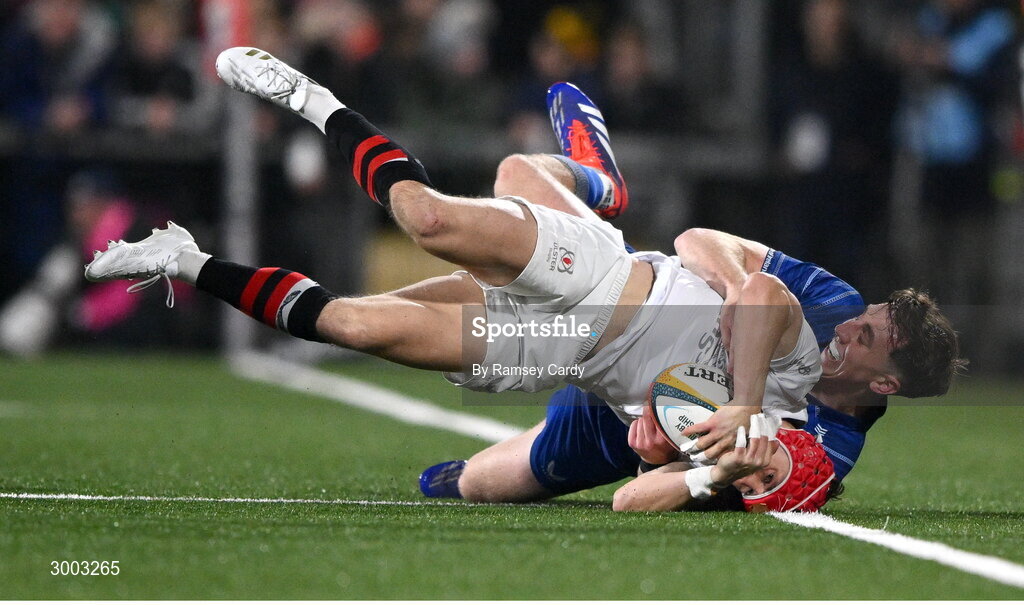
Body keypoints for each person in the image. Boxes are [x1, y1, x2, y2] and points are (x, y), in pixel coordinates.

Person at [85, 48, 829, 506]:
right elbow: (762, 292)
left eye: (758, 487)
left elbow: (632, 497)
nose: (757, 472)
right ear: (794, 452)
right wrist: (752, 403)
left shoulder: (722, 476)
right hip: (601, 277)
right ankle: (311, 97)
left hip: (564, 345)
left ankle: (182, 256)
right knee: (430, 220)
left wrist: (696, 469)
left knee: (353, 324)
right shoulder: (792, 382)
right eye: (770, 474)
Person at [420, 83, 965, 511]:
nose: (848, 326)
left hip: (626, 426)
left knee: (475, 485)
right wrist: (736, 290)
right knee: (518, 179)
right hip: (640, 307)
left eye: (867, 335)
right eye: (864, 315)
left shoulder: (826, 451)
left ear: (885, 383)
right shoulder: (833, 303)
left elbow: (697, 487)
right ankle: (599, 183)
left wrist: (657, 457)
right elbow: (697, 241)